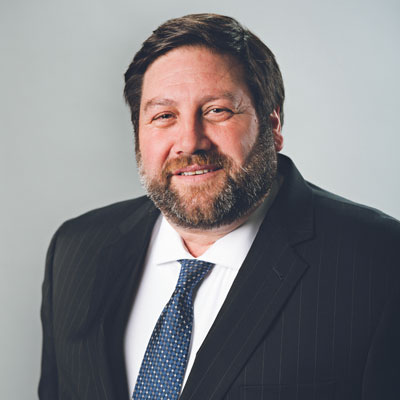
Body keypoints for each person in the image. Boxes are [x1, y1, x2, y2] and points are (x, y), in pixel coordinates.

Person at [38, 13, 400, 400]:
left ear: (272, 125)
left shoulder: (381, 262)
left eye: (217, 111)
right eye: (164, 116)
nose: (189, 142)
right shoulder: (75, 251)